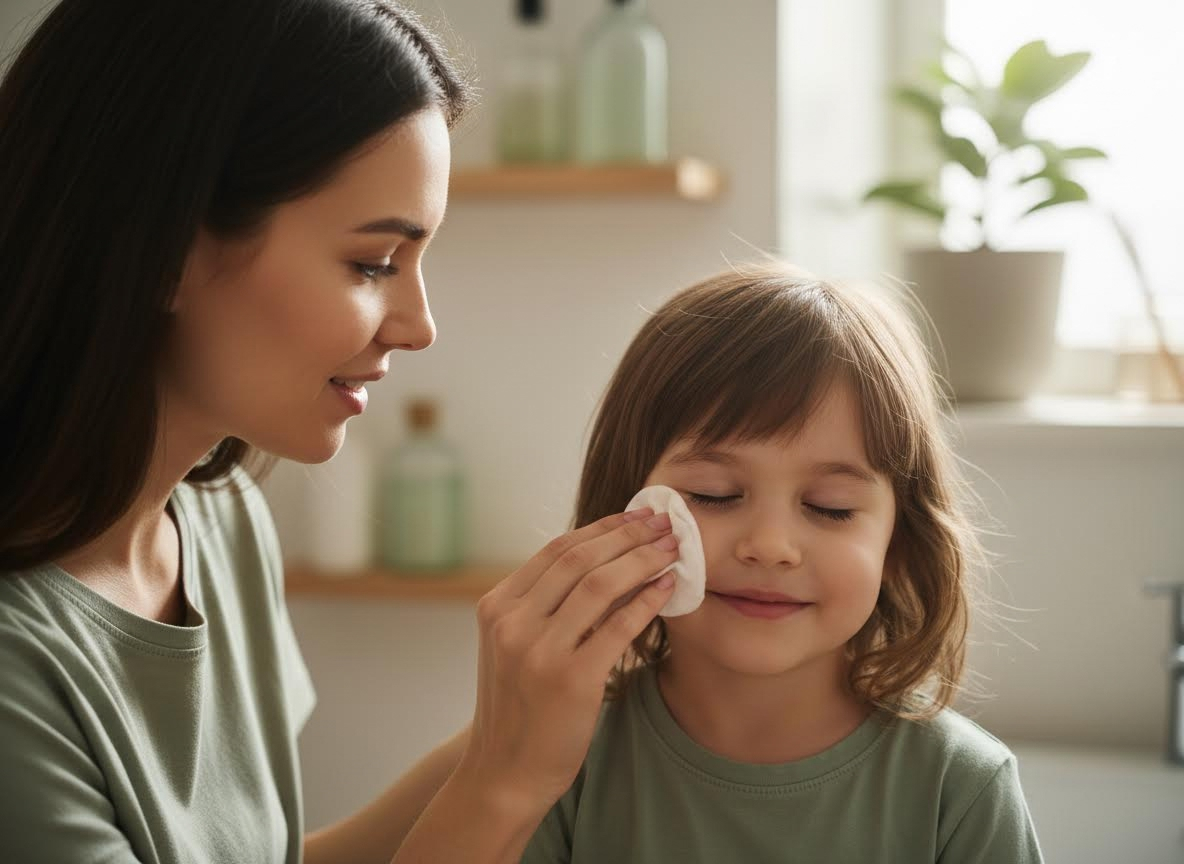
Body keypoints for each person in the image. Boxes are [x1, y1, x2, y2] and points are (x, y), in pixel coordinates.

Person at [0, 1, 680, 862]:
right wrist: (503, 782)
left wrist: (533, 724)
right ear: (163, 243)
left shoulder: (217, 523)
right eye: (371, 264)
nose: (419, 325)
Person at [520, 263, 1045, 862]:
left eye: (830, 508)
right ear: (623, 510)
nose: (770, 545)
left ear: (899, 546)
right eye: (716, 494)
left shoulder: (962, 790)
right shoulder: (558, 761)